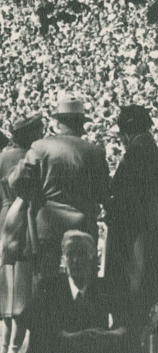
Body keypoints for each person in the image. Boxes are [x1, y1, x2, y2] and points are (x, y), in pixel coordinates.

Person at [9, 96, 110, 280]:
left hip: (47, 226)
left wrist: (34, 196)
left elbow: (16, 181)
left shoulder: (41, 147)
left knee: (45, 282)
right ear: (81, 124)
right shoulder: (95, 152)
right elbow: (104, 192)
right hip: (83, 224)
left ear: (58, 123)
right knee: (82, 282)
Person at [0, 114, 43, 353]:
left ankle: (5, 344)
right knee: (23, 287)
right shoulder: (34, 158)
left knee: (5, 287)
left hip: (3, 219)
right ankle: (13, 346)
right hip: (27, 218)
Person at [20, 230, 126, 353]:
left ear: (92, 258)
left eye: (82, 254)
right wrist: (73, 337)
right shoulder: (48, 287)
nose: (76, 260)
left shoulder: (104, 288)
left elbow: (125, 326)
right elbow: (33, 325)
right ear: (63, 260)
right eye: (70, 254)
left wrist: (106, 335)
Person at [106, 104, 158, 351]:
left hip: (136, 233)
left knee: (133, 295)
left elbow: (118, 191)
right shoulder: (149, 146)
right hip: (147, 228)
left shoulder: (137, 149)